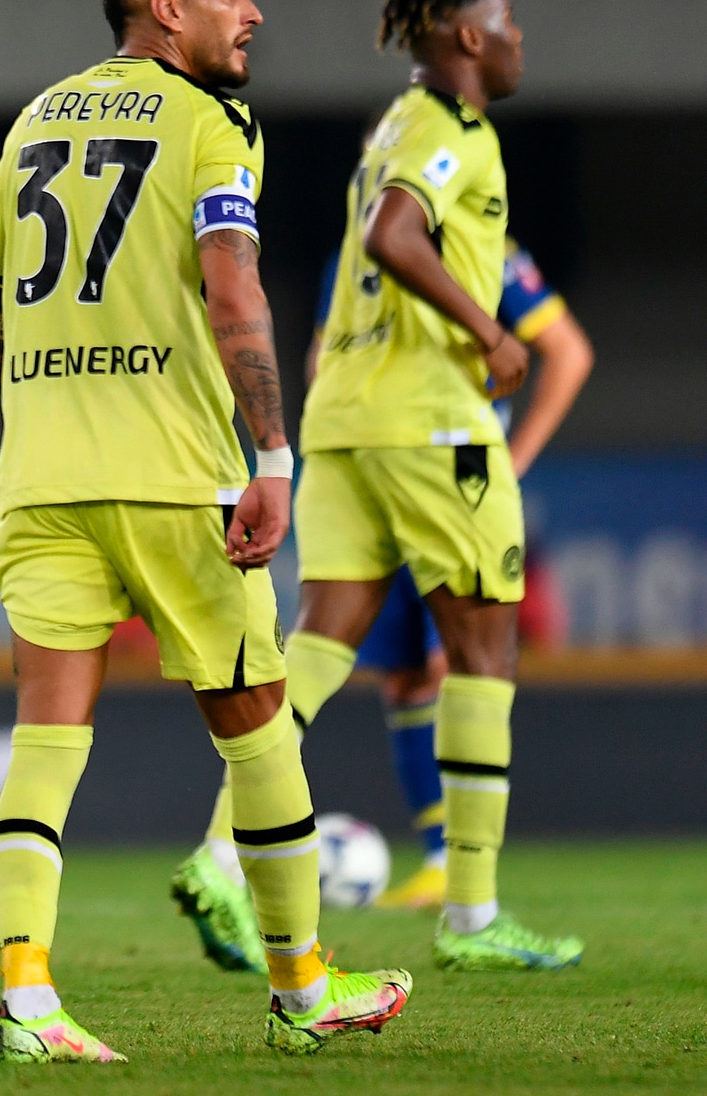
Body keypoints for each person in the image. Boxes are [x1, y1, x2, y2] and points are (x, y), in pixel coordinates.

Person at [0, 0, 412, 1062]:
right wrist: (273, 455)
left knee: (44, 739)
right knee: (257, 732)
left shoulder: (35, 119)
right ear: (166, 9)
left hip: (42, 482)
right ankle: (302, 987)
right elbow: (232, 289)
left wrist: (44, 410)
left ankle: (28, 1004)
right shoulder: (213, 122)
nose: (250, 12)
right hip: (174, 481)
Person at [189, 0, 583, 974]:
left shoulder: (391, 129)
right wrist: (488, 332)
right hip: (430, 419)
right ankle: (472, 912)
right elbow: (393, 233)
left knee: (322, 642)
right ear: (465, 35)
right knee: (483, 650)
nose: (517, 37)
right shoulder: (452, 132)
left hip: (347, 415)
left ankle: (220, 853)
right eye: (505, 19)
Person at [175, 236, 592, 933]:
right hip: (439, 458)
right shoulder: (465, 236)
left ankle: (223, 851)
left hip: (349, 451)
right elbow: (568, 350)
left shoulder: (350, 251)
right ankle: (467, 901)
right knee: (459, 662)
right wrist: (508, 462)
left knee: (348, 654)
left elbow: (320, 361)